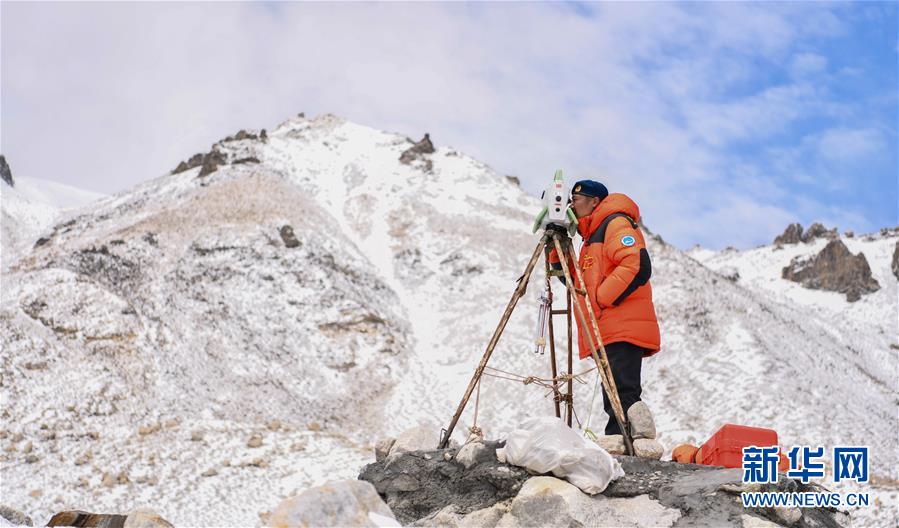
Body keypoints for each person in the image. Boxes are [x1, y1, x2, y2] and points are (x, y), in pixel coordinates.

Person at [549, 179, 661, 436]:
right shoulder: (591, 239)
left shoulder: (615, 223)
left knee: (622, 391)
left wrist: (601, 298)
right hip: (609, 326)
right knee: (614, 391)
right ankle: (620, 440)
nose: (571, 206)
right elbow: (575, 282)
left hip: (622, 325)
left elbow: (636, 264)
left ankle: (625, 443)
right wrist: (556, 248)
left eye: (575, 200)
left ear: (594, 201)